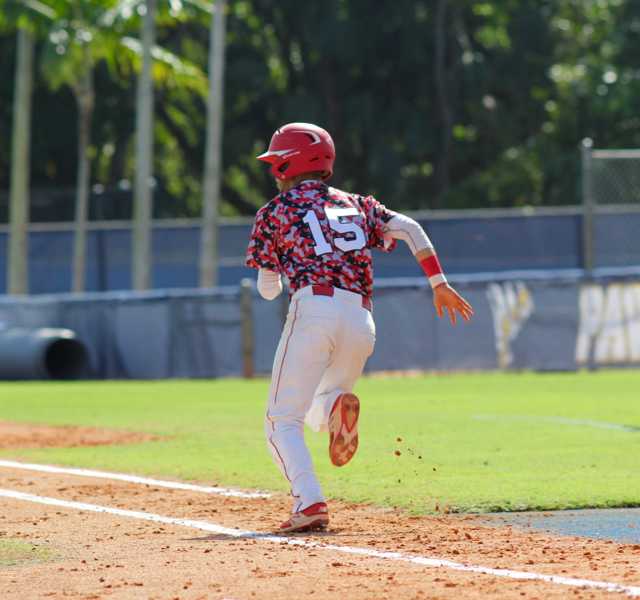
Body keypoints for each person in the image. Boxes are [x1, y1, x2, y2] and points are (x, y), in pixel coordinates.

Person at [246, 122, 473, 533]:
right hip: (361, 319)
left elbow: (266, 289)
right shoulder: (357, 205)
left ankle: (310, 501)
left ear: (285, 166)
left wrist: (278, 270)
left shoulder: (275, 212)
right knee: (323, 406)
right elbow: (410, 229)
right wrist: (438, 283)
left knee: (281, 421)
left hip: (313, 309)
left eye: (275, 162)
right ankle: (335, 407)